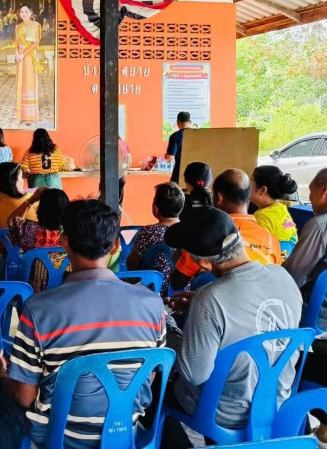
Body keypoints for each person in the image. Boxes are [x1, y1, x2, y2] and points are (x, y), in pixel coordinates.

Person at [0, 200, 166, 449]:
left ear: (64, 242)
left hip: (58, 436)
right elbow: (150, 375)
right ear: (115, 245)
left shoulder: (39, 309)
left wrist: (1, 373)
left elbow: (25, 397)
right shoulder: (153, 304)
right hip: (125, 431)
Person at [164, 207, 302, 440]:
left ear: (204, 263)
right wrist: (199, 304)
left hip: (224, 413)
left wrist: (168, 328)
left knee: (154, 390)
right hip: (276, 403)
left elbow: (194, 373)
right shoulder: (283, 276)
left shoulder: (210, 299)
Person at [282, 168, 327, 327]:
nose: (310, 197)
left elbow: (292, 274)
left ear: (324, 191)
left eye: (311, 191)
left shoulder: (320, 225)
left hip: (316, 313)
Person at [7, 187, 70, 292]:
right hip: (64, 292)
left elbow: (11, 221)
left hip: (33, 293)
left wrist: (31, 200)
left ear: (41, 209)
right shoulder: (70, 235)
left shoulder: (29, 229)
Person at [126, 182, 184, 271]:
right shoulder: (188, 232)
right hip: (180, 280)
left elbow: (132, 262)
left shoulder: (147, 232)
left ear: (156, 209)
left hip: (150, 280)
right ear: (181, 209)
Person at [251, 165, 299, 244]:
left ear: (263, 190)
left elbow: (254, 247)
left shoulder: (261, 216)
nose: (246, 186)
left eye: (250, 182)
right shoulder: (282, 209)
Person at [14, 4, 42, 125]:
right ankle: (21, 115)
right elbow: (16, 42)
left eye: (26, 11)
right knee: (21, 83)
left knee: (29, 83)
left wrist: (23, 54)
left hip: (30, 57)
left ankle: (31, 116)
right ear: (19, 14)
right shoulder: (18, 27)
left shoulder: (36, 25)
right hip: (20, 57)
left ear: (30, 12)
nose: (24, 14)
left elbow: (35, 43)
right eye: (21, 12)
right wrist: (16, 53)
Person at [165, 111, 192, 185]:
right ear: (190, 122)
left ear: (178, 123)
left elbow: (170, 157)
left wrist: (166, 156)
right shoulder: (200, 134)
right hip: (198, 171)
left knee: (177, 191)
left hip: (180, 172)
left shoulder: (176, 135)